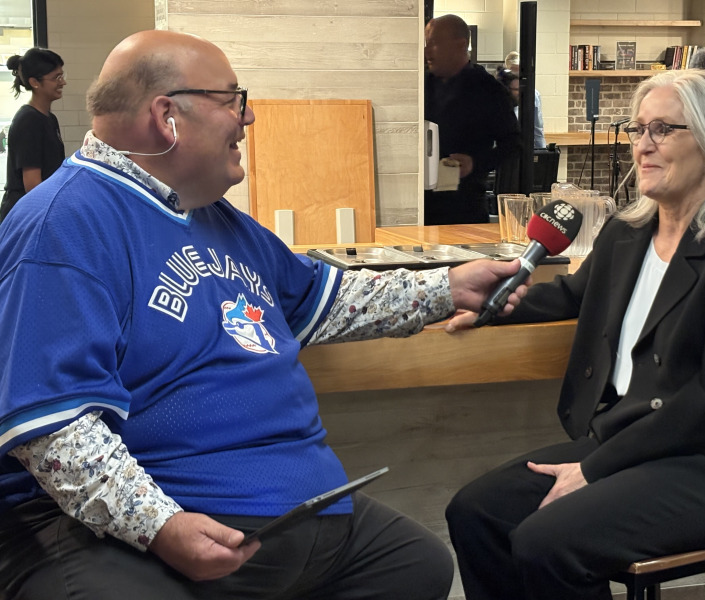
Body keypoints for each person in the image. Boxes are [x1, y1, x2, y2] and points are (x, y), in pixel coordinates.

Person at [0, 30, 532, 600]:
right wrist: (160, 527)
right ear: (166, 116)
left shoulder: (215, 216)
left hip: (292, 511)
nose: (247, 117)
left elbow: (325, 300)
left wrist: (449, 288)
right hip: (150, 523)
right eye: (233, 99)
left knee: (414, 565)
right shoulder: (62, 223)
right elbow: (52, 427)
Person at [444, 69, 705, 600]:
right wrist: (487, 307)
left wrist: (593, 467)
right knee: (475, 512)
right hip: (627, 442)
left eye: (663, 130)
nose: (642, 146)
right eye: (638, 129)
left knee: (546, 542)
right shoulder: (627, 232)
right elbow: (570, 296)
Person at [424, 14, 521, 225]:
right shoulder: (421, 85)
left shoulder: (488, 90)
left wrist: (475, 163)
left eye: (434, 43)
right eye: (426, 44)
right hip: (418, 206)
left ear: (460, 45)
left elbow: (514, 144)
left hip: (464, 208)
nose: (427, 51)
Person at [1, 48, 66, 222]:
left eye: (62, 76)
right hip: (25, 214)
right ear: (35, 82)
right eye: (56, 78)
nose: (63, 82)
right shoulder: (28, 120)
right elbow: (32, 185)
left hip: (40, 208)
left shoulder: (49, 118)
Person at [503, 51, 546, 149]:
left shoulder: (533, 94)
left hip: (524, 148)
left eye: (518, 71)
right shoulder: (499, 93)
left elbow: (537, 128)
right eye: (513, 71)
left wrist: (542, 151)